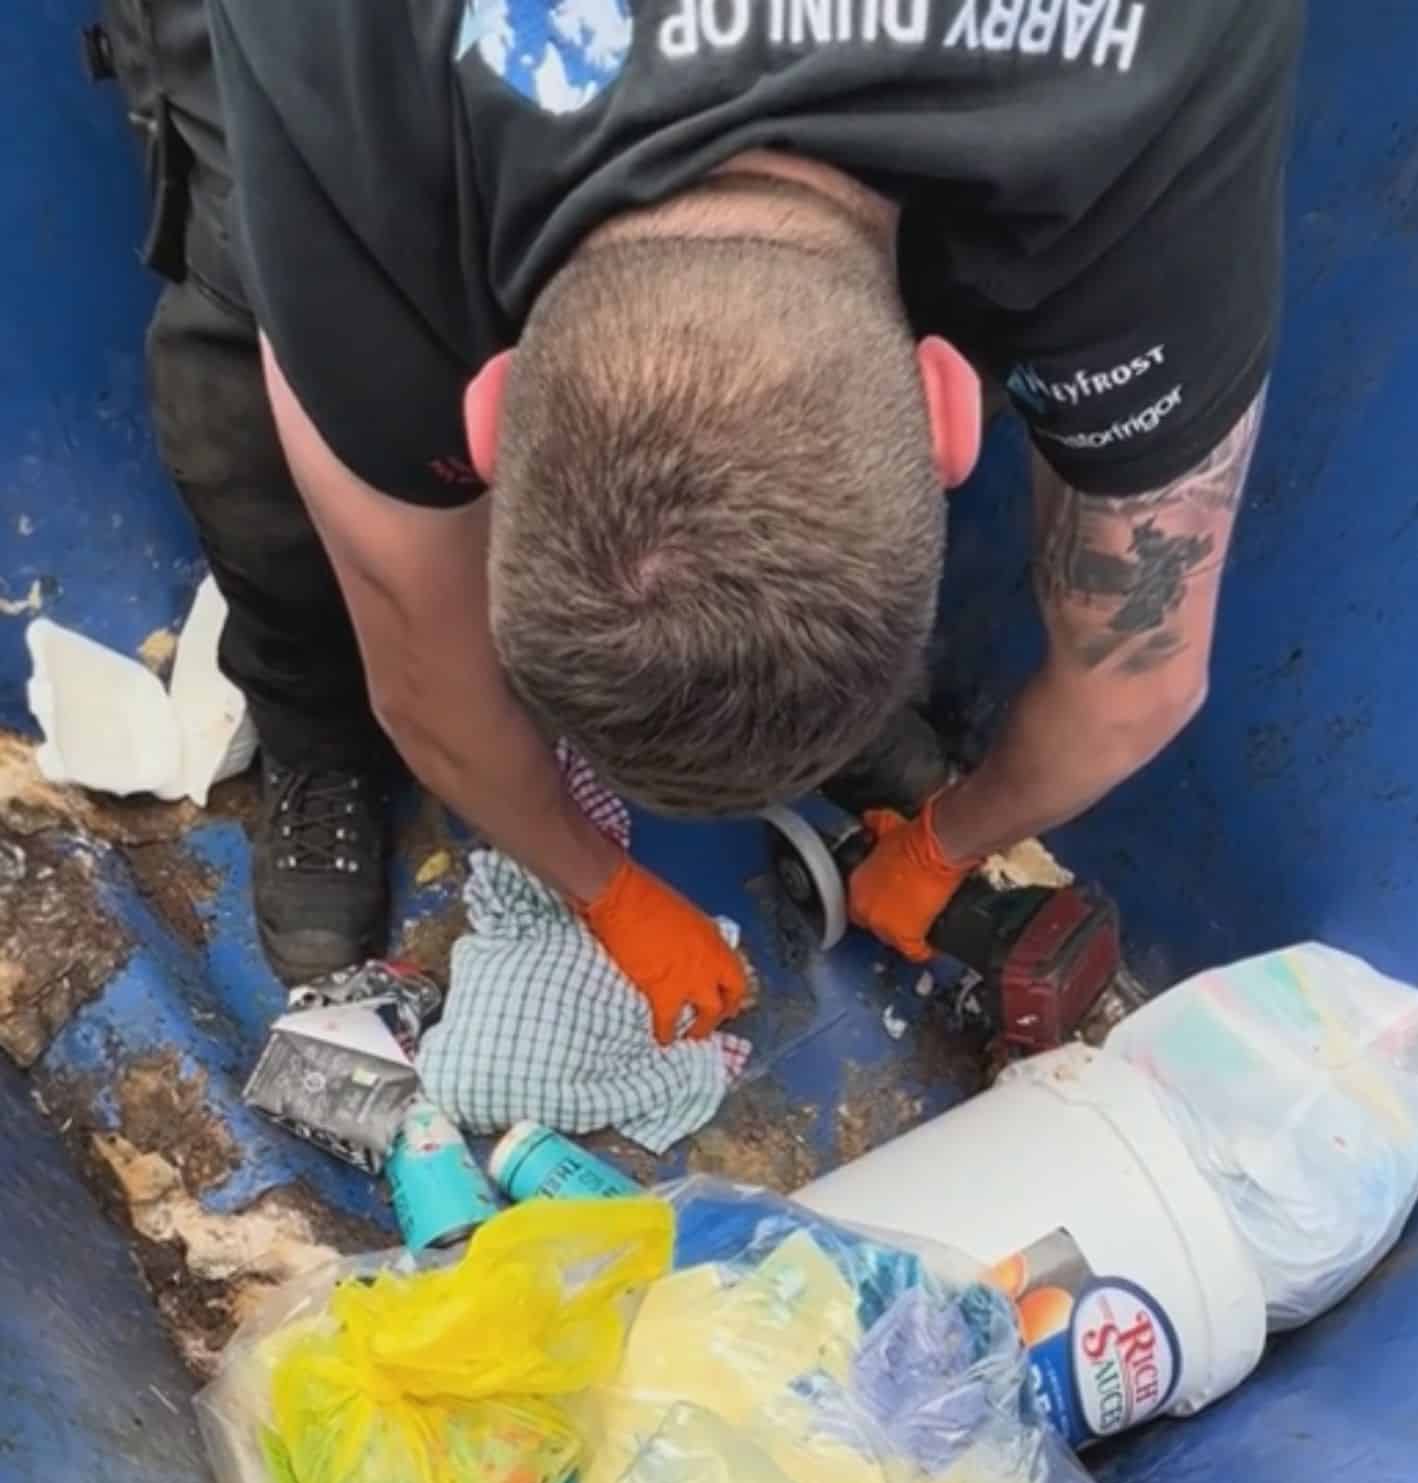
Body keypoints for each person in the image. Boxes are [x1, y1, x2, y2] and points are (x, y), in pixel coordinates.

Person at [100, 0, 1303, 1040]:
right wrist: (602, 887)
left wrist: (943, 844)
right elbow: (428, 688)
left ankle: (792, 667)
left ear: (493, 412)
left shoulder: (1156, 69)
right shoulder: (348, 81)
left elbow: (1139, 685)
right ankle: (311, 728)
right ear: (944, 408)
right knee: (243, 373)